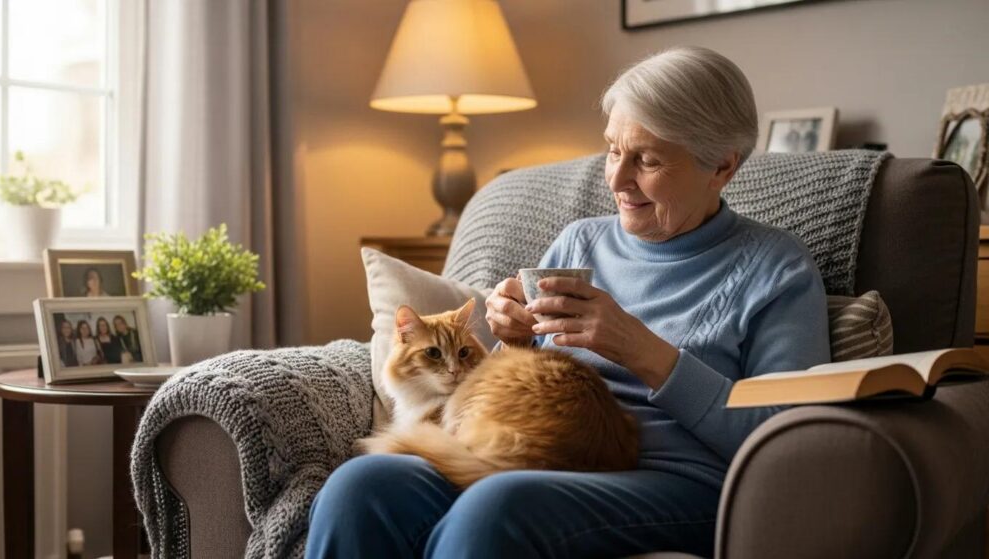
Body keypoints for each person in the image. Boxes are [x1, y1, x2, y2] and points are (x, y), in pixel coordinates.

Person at [305, 46, 831, 558]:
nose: (618, 180)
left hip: (680, 482)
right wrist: (514, 341)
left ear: (721, 166)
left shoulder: (776, 270)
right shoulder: (581, 242)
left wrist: (644, 352)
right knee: (362, 485)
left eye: (646, 159)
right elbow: (528, 385)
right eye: (612, 149)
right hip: (544, 451)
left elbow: (789, 444)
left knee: (498, 507)